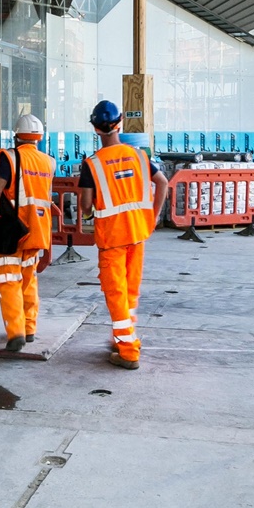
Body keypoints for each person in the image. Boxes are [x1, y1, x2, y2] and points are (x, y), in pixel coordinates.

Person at [78, 101, 168, 370]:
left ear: (95, 128)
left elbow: (85, 206)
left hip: (112, 238)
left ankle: (128, 351)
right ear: (120, 124)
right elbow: (162, 182)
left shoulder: (92, 164)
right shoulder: (139, 156)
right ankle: (122, 339)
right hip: (138, 234)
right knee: (129, 292)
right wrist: (152, 217)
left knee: (115, 292)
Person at [0, 113, 56, 352]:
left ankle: (16, 333)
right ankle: (30, 328)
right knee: (29, 279)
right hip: (38, 231)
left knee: (8, 279)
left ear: (16, 135)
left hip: (12, 231)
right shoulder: (49, 161)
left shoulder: (11, 158)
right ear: (39, 138)